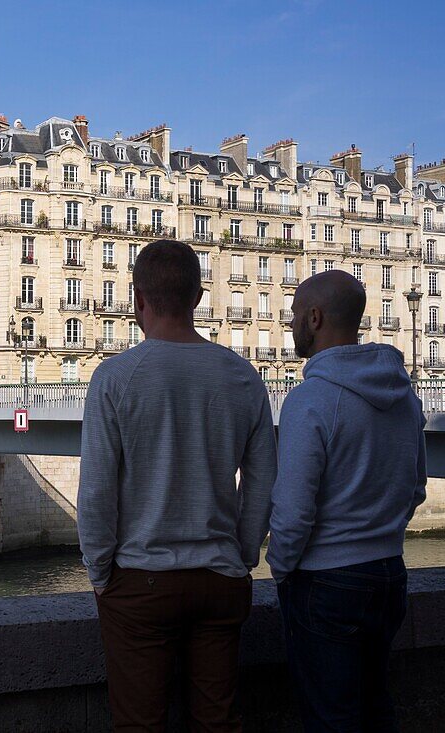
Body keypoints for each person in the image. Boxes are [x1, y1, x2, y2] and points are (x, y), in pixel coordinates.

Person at [78, 239, 278, 732]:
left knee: (140, 723)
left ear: (137, 299)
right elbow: (263, 481)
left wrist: (101, 575)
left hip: (141, 580)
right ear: (198, 296)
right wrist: (244, 556)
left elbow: (97, 493)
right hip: (219, 579)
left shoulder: (115, 378)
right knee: (217, 722)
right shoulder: (243, 377)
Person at [268, 270, 426, 731]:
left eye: (296, 314)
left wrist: (280, 569)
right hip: (389, 573)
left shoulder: (310, 400)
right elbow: (416, 488)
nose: (292, 323)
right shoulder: (404, 396)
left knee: (331, 719)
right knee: (377, 709)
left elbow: (293, 511)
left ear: (314, 318)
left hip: (325, 582)